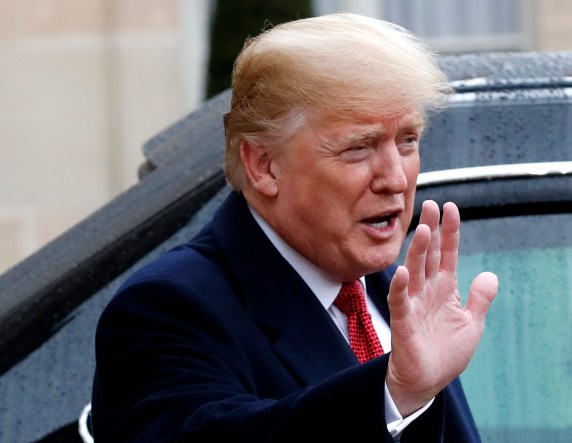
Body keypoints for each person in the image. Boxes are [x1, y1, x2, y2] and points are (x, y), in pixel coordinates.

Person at [91, 13, 498, 442]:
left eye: (408, 141)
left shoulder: (391, 292)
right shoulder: (168, 306)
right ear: (264, 166)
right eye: (358, 148)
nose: (395, 178)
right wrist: (394, 393)